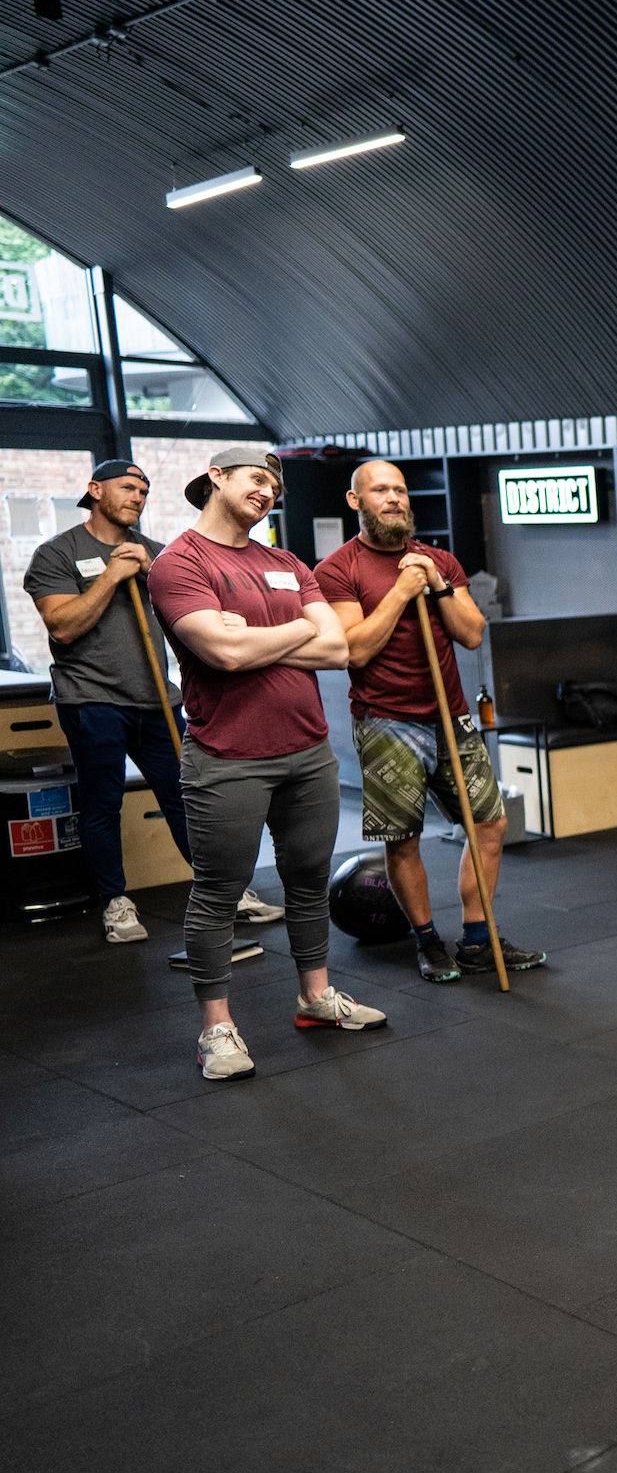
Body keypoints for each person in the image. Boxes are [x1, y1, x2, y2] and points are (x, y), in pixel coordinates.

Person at [148, 447, 389, 1082]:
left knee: (309, 877)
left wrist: (253, 638)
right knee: (220, 892)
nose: (269, 492)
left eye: (275, 485)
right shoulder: (179, 563)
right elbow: (223, 655)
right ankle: (216, 1029)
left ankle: (315, 998)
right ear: (216, 478)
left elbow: (337, 647)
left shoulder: (286, 563)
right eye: (257, 479)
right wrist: (289, 634)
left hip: (308, 750)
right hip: (227, 756)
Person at [23, 459, 283, 941]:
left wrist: (149, 573)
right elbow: (62, 627)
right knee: (102, 804)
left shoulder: (162, 556)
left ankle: (223, 892)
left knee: (189, 800)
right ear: (94, 490)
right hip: (91, 700)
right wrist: (109, 576)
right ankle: (116, 903)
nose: (137, 497)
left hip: (158, 700)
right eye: (126, 487)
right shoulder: (57, 553)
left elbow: (208, 616)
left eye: (143, 491)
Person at [317, 460, 541, 982]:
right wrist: (400, 592)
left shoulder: (439, 559)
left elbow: (472, 633)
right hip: (386, 722)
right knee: (405, 838)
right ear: (356, 502)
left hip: (451, 715)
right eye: (379, 490)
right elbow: (355, 649)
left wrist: (437, 584)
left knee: (490, 824)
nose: (393, 498)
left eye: (399, 489)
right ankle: (425, 941)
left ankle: (477, 939)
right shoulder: (336, 569)